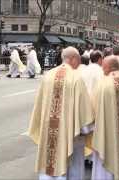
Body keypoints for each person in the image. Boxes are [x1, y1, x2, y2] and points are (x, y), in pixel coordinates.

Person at [28, 47, 95, 180]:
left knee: (49, 161)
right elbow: (83, 108)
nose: (79, 62)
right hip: (70, 133)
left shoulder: (48, 76)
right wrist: (84, 129)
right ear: (72, 59)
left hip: (49, 130)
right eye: (78, 59)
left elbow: (40, 105)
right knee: (73, 167)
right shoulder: (76, 77)